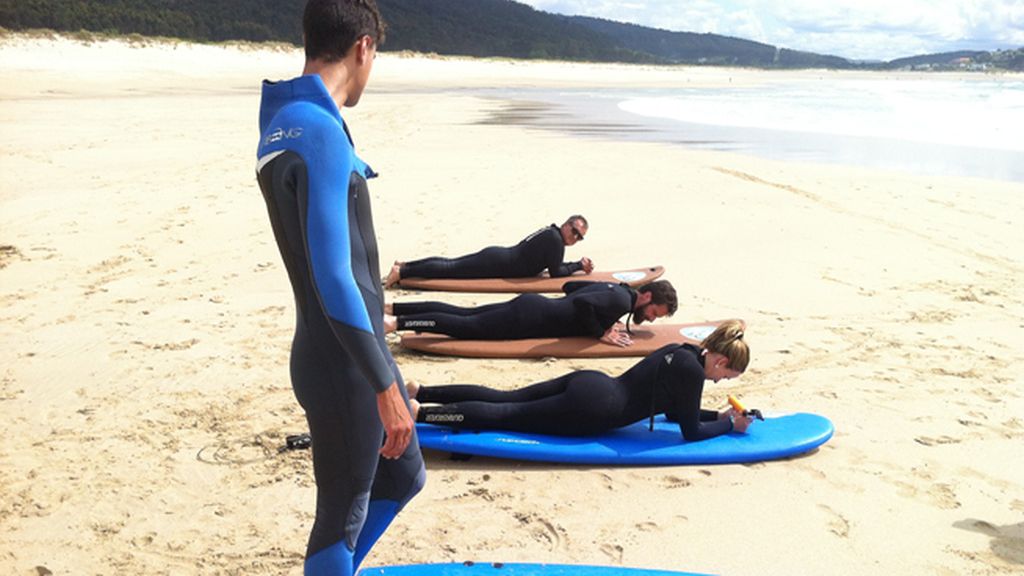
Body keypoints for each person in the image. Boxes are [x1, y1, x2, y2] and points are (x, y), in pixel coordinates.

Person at [254, 2, 424, 574]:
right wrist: (383, 384)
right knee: (340, 515)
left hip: (337, 352)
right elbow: (335, 276)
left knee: (404, 476)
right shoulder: (322, 133)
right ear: (364, 48)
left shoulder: (283, 121)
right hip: (344, 366)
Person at [409, 320, 752, 441]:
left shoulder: (682, 350)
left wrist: (718, 416)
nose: (721, 382)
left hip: (592, 383)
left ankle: (421, 391)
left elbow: (677, 414)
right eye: (726, 375)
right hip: (593, 410)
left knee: (504, 396)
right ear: (721, 360)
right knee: (506, 418)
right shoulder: (693, 373)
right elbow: (689, 433)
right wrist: (729, 428)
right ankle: (420, 414)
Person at [384, 280, 677, 347]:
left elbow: (571, 286)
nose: (651, 318)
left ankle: (393, 308)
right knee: (464, 326)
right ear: (647, 296)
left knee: (464, 314)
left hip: (533, 305)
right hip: (528, 320)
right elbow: (582, 305)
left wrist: (606, 319)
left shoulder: (618, 290)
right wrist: (601, 332)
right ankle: (397, 322)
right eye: (654, 312)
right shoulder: (622, 301)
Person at [383, 215, 593, 288]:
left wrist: (575, 266)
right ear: (566, 224)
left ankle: (404, 265)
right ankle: (402, 272)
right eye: (573, 231)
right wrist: (578, 266)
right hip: (497, 263)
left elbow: (553, 266)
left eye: (579, 236)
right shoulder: (555, 241)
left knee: (451, 264)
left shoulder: (552, 234)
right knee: (450, 268)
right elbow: (556, 272)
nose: (574, 237)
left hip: (499, 257)